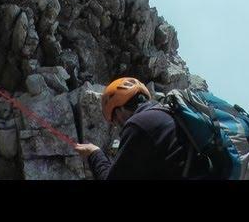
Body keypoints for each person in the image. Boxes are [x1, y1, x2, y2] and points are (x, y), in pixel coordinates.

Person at [75, 77, 212, 180]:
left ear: (119, 110)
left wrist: (94, 153)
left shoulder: (139, 125)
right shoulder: (167, 115)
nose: (117, 126)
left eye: (115, 120)